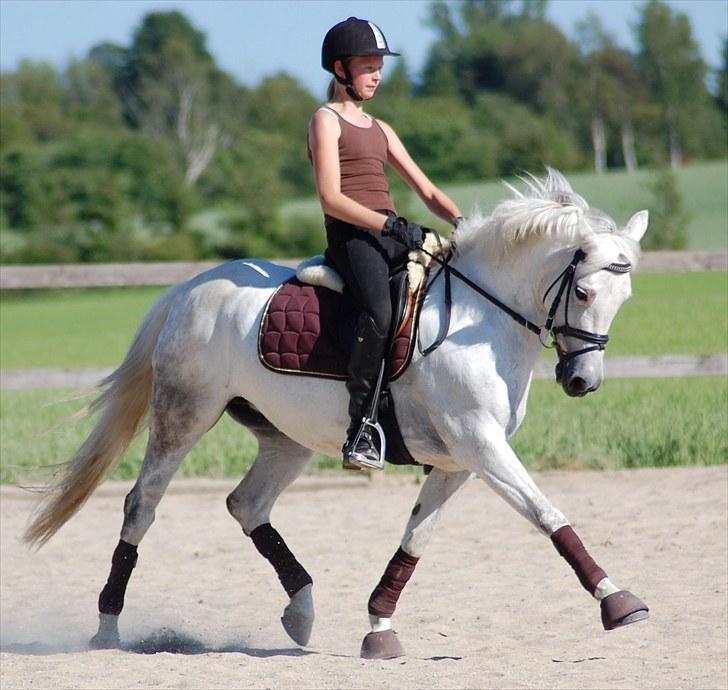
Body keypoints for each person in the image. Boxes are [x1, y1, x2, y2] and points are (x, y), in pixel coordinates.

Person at [308, 17, 463, 471]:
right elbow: (331, 198)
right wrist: (389, 227)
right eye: (368, 65)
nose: (377, 74)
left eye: (379, 65)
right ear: (340, 69)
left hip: (389, 231)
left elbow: (428, 192)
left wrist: (463, 222)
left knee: (441, 290)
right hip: (353, 237)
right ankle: (360, 428)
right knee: (378, 310)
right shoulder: (326, 120)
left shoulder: (381, 128)